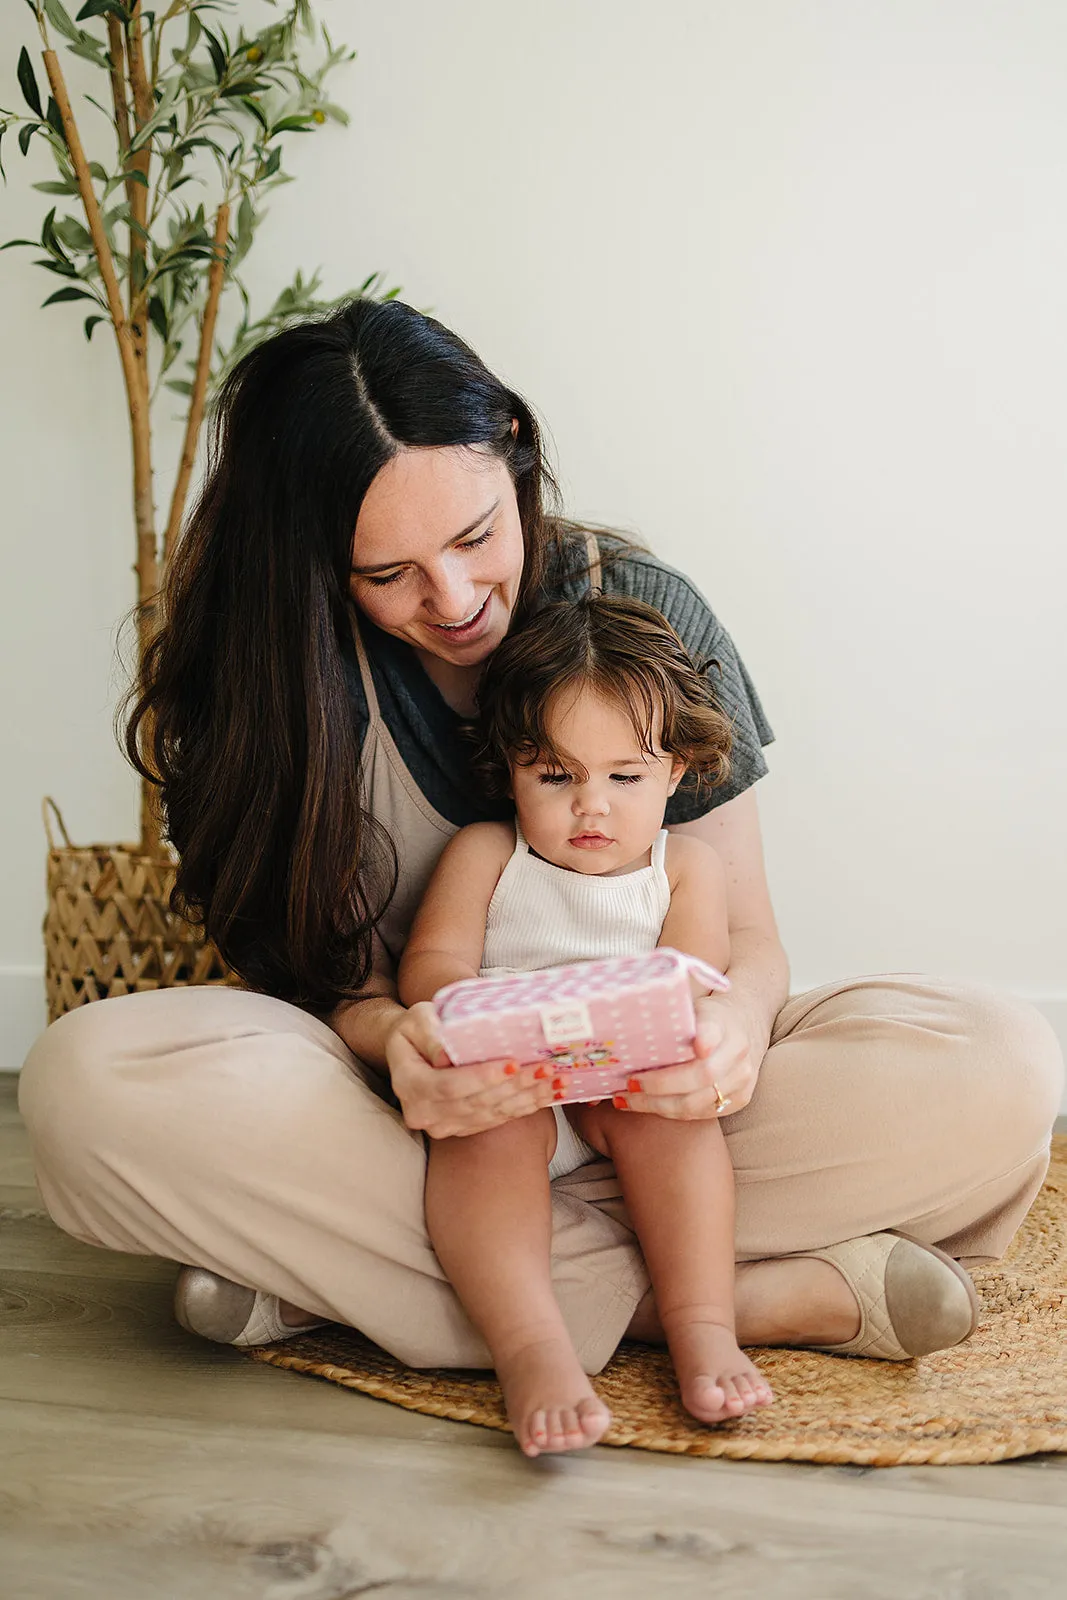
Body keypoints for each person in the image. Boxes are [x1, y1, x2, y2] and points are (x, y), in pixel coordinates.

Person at [18, 299, 1063, 1389]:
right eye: (388, 574)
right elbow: (331, 996)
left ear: (512, 453)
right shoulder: (269, 690)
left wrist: (733, 1033)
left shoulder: (645, 620)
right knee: (88, 1080)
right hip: (411, 1118)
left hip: (657, 1121)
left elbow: (744, 940)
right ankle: (705, 1300)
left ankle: (372, 1288)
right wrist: (405, 1054)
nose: (456, 598)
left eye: (474, 537)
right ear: (312, 562)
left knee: (1000, 1065)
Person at [399, 592, 776, 1455]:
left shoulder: (688, 868)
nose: (590, 808)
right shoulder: (487, 852)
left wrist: (684, 1033)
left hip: (624, 1080)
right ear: (510, 769)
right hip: (513, 1077)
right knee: (483, 1142)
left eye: (624, 777)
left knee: (679, 1132)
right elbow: (432, 968)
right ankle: (531, 1348)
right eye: (556, 776)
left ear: (676, 773)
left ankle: (702, 1328)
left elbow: (691, 982)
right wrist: (463, 1010)